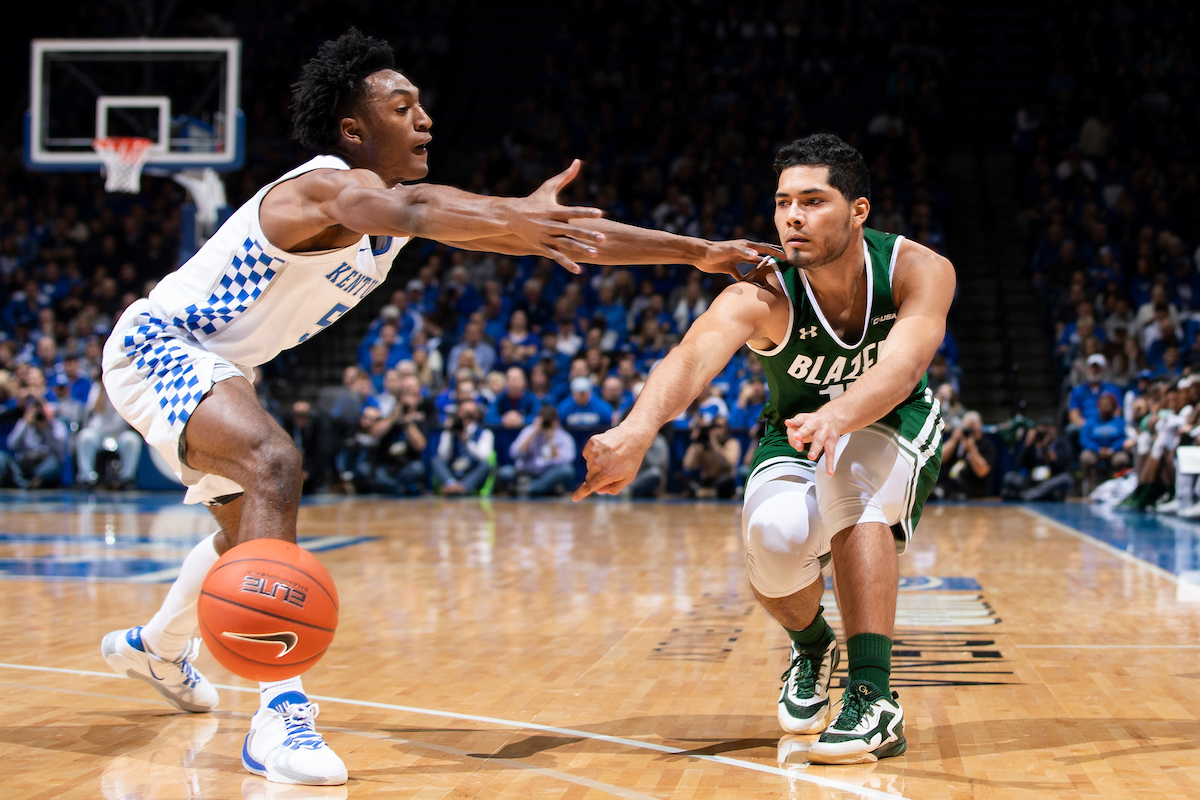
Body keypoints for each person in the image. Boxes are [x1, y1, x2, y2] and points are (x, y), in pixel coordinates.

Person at [97, 28, 772, 788]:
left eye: (423, 106)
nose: (425, 121)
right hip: (159, 343)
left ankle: (155, 648)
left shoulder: (386, 217)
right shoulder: (322, 187)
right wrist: (509, 213)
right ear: (355, 130)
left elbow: (565, 233)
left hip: (225, 366)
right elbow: (415, 206)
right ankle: (278, 717)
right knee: (273, 463)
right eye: (402, 106)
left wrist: (695, 251)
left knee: (244, 538)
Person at [572, 133, 954, 764]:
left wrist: (839, 413)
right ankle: (812, 647)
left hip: (896, 418)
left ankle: (874, 698)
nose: (792, 217)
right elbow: (693, 355)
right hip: (794, 430)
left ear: (858, 210)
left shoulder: (915, 268)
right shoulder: (764, 290)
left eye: (813, 201)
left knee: (852, 481)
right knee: (773, 542)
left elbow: (904, 368)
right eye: (782, 203)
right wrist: (635, 432)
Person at [499, 406, 577, 496]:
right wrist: (534, 431)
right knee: (505, 472)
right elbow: (514, 453)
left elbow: (565, 460)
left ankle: (529, 488)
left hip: (548, 475)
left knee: (567, 471)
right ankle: (543, 489)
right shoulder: (529, 431)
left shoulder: (564, 437)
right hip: (526, 472)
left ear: (556, 422)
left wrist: (551, 439)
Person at [432, 398, 494, 495]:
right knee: (436, 460)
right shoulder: (450, 431)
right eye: (463, 412)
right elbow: (443, 456)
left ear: (477, 415)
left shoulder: (485, 433)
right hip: (452, 472)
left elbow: (483, 457)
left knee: (486, 466)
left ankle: (460, 489)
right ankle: (452, 485)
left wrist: (467, 441)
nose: (466, 416)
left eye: (470, 413)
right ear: (458, 414)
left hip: (471, 473)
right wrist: (449, 433)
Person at [938, 411, 996, 499]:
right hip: (948, 491)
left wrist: (971, 449)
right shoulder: (957, 442)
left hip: (973, 494)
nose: (969, 432)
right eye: (967, 429)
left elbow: (982, 471)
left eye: (972, 429)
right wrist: (953, 440)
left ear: (980, 428)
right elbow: (939, 459)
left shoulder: (987, 445)